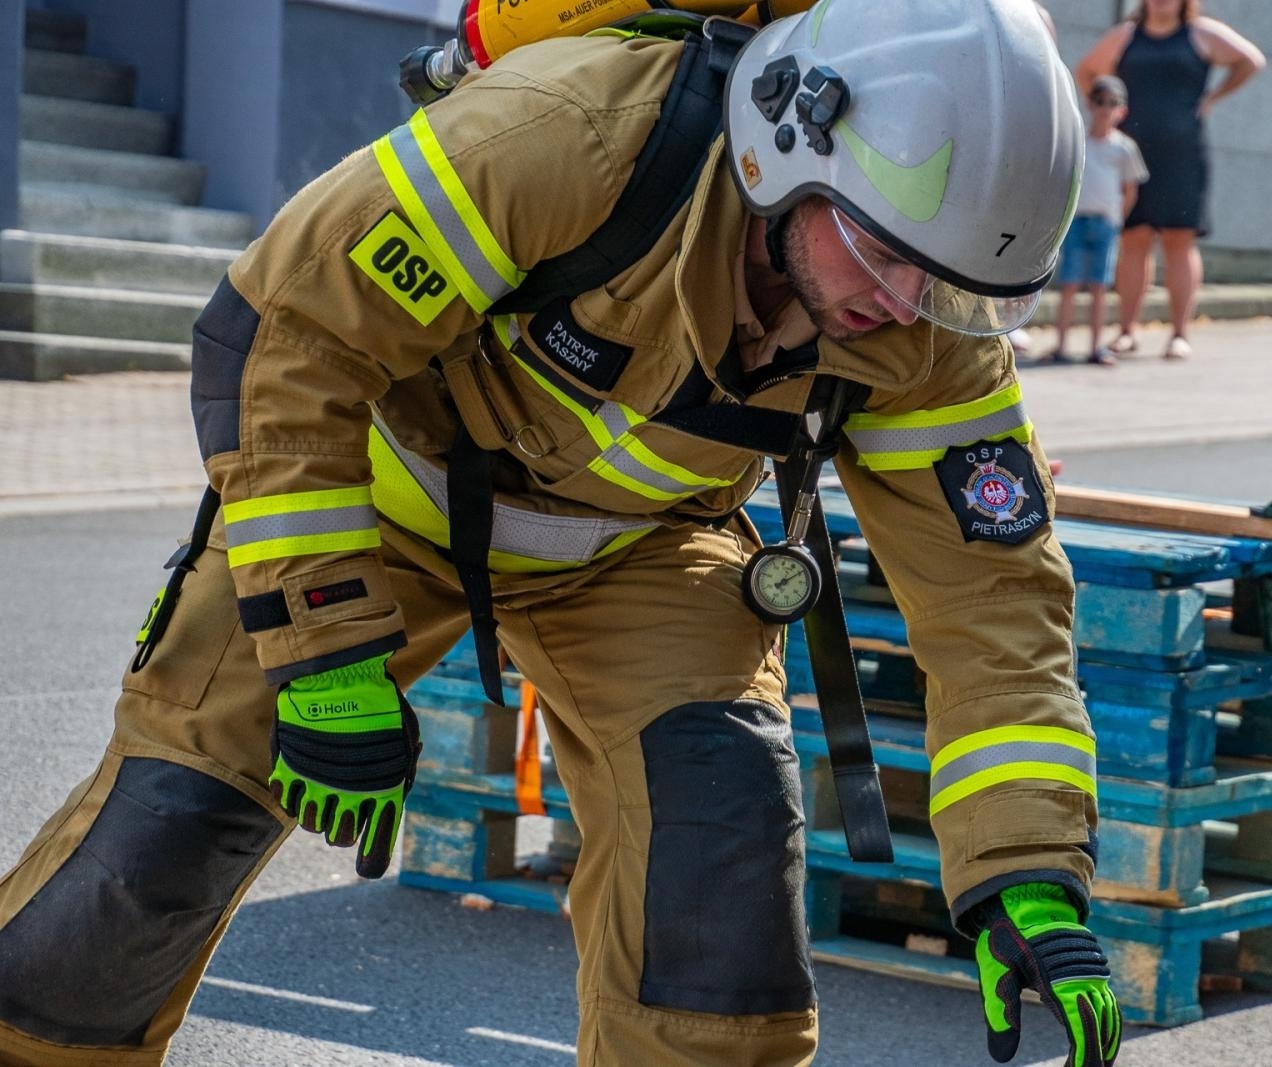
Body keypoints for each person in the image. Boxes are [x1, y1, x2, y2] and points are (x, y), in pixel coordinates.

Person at [0, 2, 1122, 1066]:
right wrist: (325, 648)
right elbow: (283, 338)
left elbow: (993, 601)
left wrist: (1025, 866)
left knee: (716, 862)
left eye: (952, 287)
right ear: (787, 150)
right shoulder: (571, 137)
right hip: (381, 502)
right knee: (165, 833)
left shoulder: (920, 310)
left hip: (643, 551)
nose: (908, 303)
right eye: (886, 257)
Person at [1077, 0, 1264, 360]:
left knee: (1180, 239)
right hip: (1132, 153)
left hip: (1182, 153)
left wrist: (1212, 98)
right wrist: (1103, 112)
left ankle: (1180, 333)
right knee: (1134, 238)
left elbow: (1251, 60)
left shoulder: (1201, 33)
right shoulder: (1125, 36)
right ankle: (1128, 331)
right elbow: (1086, 70)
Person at [1048, 75, 1148, 366]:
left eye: (1112, 104)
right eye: (1100, 102)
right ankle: (1062, 346)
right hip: (1076, 221)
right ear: (1090, 105)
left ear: (1122, 111)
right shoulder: (1078, 140)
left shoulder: (1124, 148)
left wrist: (1118, 218)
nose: (1105, 109)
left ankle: (1095, 347)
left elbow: (1131, 188)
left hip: (1105, 223)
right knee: (1068, 285)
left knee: (1099, 287)